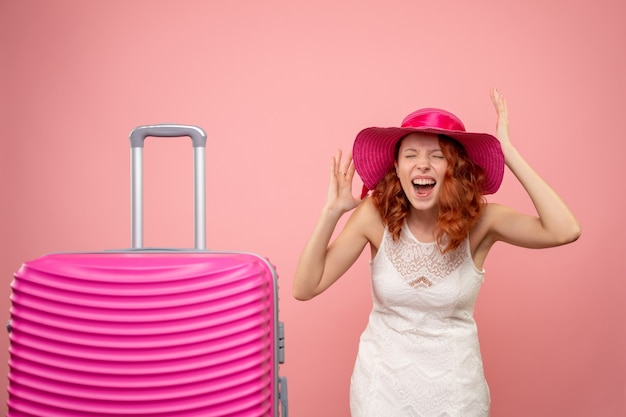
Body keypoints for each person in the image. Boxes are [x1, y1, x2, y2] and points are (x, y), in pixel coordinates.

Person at [292, 88, 581, 417]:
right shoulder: (375, 216)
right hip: (381, 391)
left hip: (456, 394)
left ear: (454, 169)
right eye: (411, 155)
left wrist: (509, 153)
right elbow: (305, 288)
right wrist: (332, 213)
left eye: (437, 156)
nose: (423, 165)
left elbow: (565, 230)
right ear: (397, 168)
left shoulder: (483, 221)